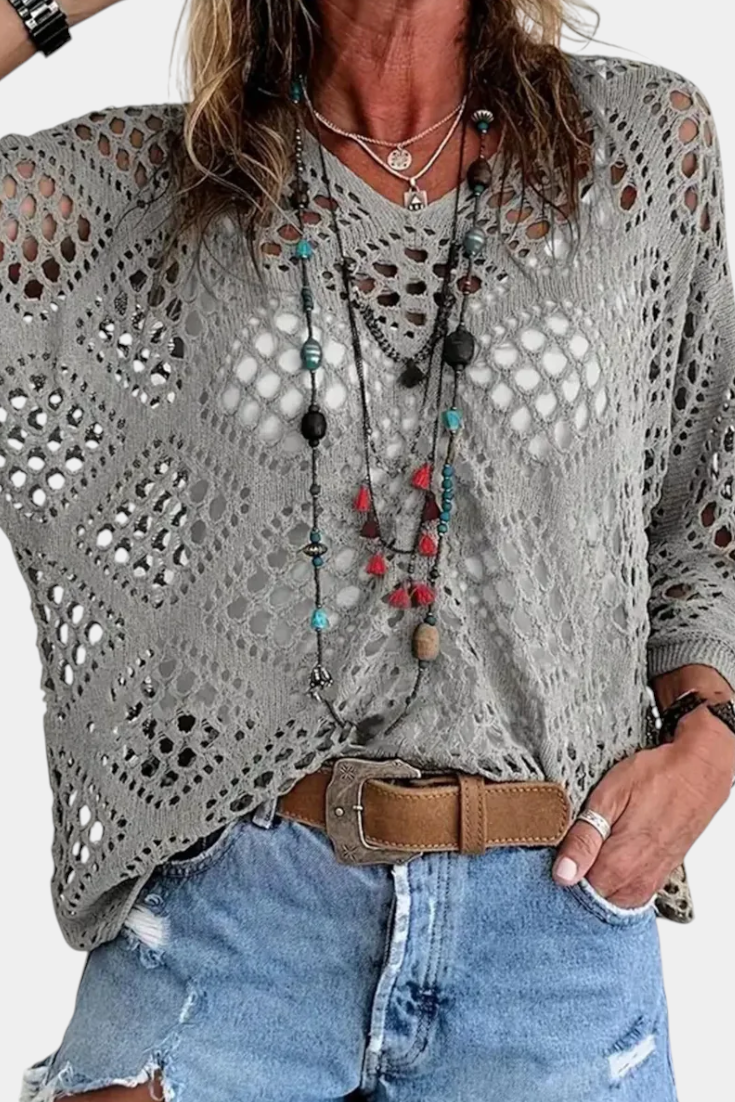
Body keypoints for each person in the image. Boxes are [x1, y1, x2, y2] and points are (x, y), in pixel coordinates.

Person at [3, 0, 735, 1099]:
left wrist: (711, 739)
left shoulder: (637, 144)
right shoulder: (158, 183)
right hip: (233, 928)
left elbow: (703, 507)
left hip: (551, 936)